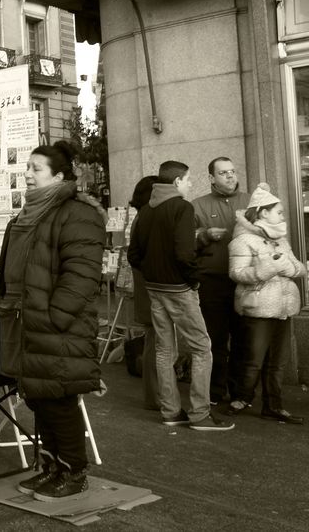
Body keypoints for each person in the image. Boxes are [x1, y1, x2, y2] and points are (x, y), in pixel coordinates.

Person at [0, 141, 105, 502]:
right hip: (23, 321)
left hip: (55, 323)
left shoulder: (77, 213)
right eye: (27, 167)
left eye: (36, 168)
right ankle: (52, 467)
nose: (27, 173)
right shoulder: (28, 214)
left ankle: (73, 471)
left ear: (58, 176)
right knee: (39, 396)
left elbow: (82, 274)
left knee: (58, 397)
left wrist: (56, 316)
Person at [128, 160, 233, 431]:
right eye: (188, 179)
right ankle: (200, 414)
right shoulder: (181, 208)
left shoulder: (147, 211)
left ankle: (171, 411)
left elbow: (134, 255)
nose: (190, 184)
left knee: (164, 350)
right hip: (179, 289)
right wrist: (193, 281)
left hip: (155, 289)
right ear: (176, 182)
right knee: (201, 348)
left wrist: (154, 274)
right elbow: (185, 254)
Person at [226, 184, 305, 424]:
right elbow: (236, 273)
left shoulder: (281, 239)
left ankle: (274, 405)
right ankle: (242, 397)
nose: (283, 215)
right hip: (257, 307)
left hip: (284, 307)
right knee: (253, 360)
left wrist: (285, 266)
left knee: (278, 362)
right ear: (262, 213)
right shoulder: (242, 240)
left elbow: (299, 268)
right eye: (278, 212)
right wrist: (270, 267)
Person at [192, 157, 249, 404]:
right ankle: (215, 392)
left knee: (242, 339)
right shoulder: (197, 206)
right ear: (212, 178)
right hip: (213, 282)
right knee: (215, 340)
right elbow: (185, 242)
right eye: (223, 173)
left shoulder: (250, 202)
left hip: (244, 282)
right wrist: (204, 235)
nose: (230, 176)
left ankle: (239, 392)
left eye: (233, 172)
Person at [127, 175, 160, 411]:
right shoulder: (146, 218)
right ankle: (155, 395)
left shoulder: (141, 217)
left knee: (155, 341)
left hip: (146, 289)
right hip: (151, 289)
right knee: (157, 343)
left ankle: (154, 394)